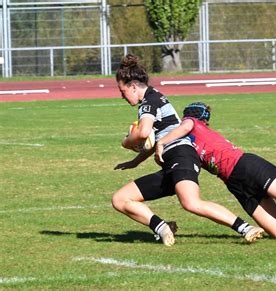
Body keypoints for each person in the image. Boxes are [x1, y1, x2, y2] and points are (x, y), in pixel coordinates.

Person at [111, 54, 264, 246]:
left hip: (181, 156)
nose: (122, 96)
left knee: (191, 202)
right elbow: (159, 137)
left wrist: (126, 142)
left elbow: (143, 133)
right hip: (172, 162)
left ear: (133, 85)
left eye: (122, 91)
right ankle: (163, 227)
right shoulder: (153, 97)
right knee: (120, 199)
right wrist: (135, 162)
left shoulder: (149, 102)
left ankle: (246, 228)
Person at [155, 102, 276, 240]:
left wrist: (161, 142)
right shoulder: (185, 142)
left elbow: (185, 126)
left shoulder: (191, 125)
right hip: (235, 184)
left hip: (248, 167)